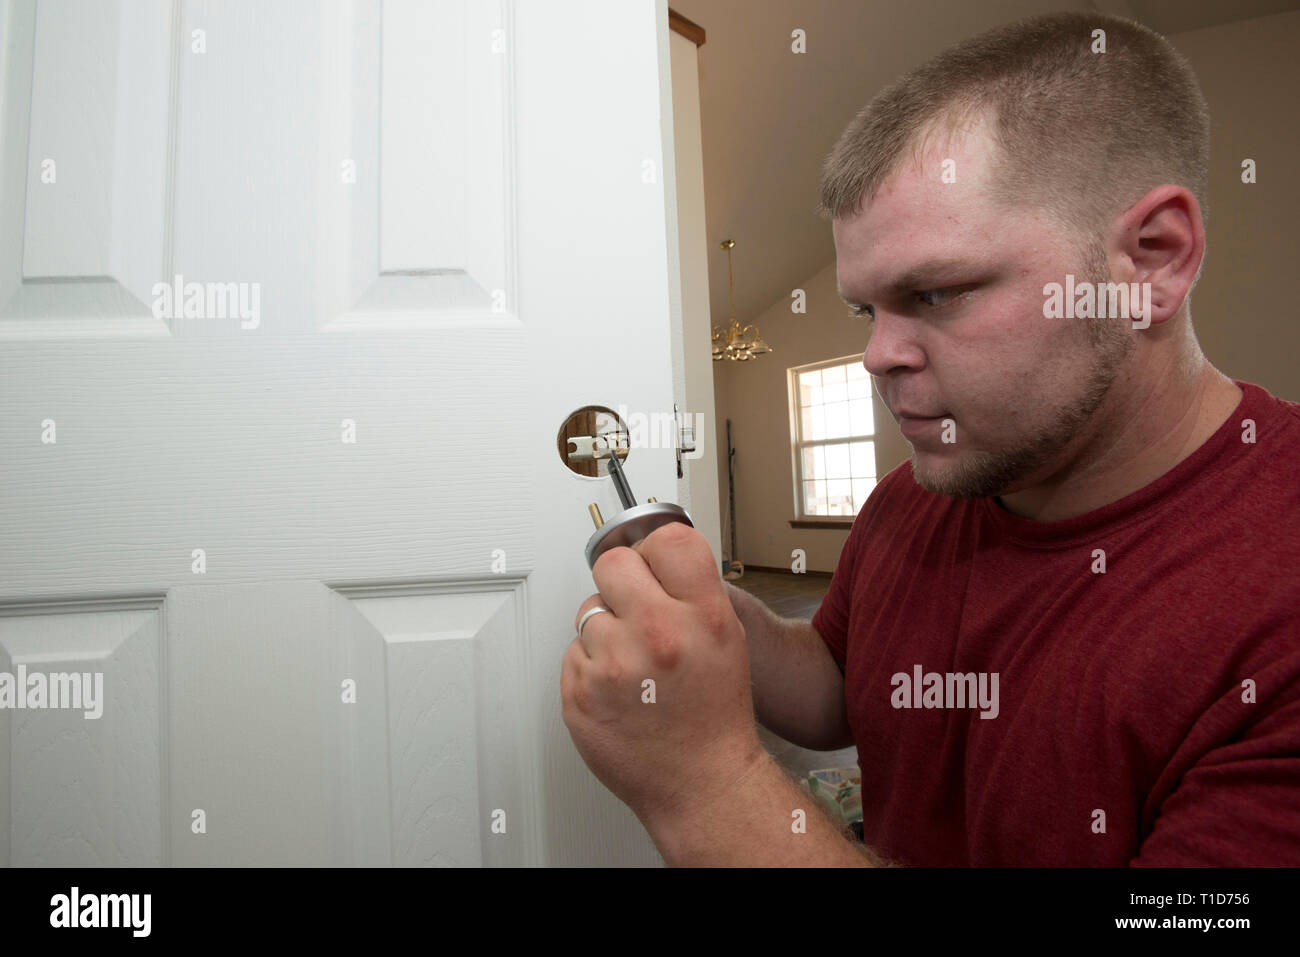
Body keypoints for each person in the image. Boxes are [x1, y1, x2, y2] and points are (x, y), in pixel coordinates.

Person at [561, 10, 1300, 866]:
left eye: (938, 294)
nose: (877, 356)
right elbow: (836, 686)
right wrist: (706, 618)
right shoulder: (917, 493)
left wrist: (704, 788)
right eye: (866, 309)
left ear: (1153, 261)